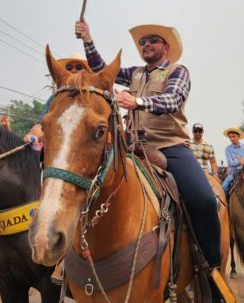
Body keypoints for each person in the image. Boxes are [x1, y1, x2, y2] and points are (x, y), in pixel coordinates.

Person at [75, 20, 223, 278]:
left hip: (170, 146)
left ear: (166, 47)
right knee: (82, 183)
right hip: (131, 146)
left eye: (153, 40)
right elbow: (102, 71)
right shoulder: (135, 73)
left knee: (204, 200)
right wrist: (88, 39)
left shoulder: (178, 71)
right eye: (143, 42)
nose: (146, 44)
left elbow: (173, 99)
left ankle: (212, 268)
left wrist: (138, 101)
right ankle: (69, 263)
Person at [24, 53, 92, 144]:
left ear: (86, 72)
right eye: (69, 67)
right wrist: (33, 135)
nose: (73, 70)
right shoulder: (54, 98)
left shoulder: (93, 96)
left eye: (78, 67)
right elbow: (42, 124)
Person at [221, 127, 244, 195]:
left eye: (233, 136)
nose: (231, 139)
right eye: (230, 137)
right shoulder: (228, 149)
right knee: (224, 187)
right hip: (233, 173)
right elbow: (230, 162)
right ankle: (226, 201)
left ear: (238, 136)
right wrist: (240, 162)